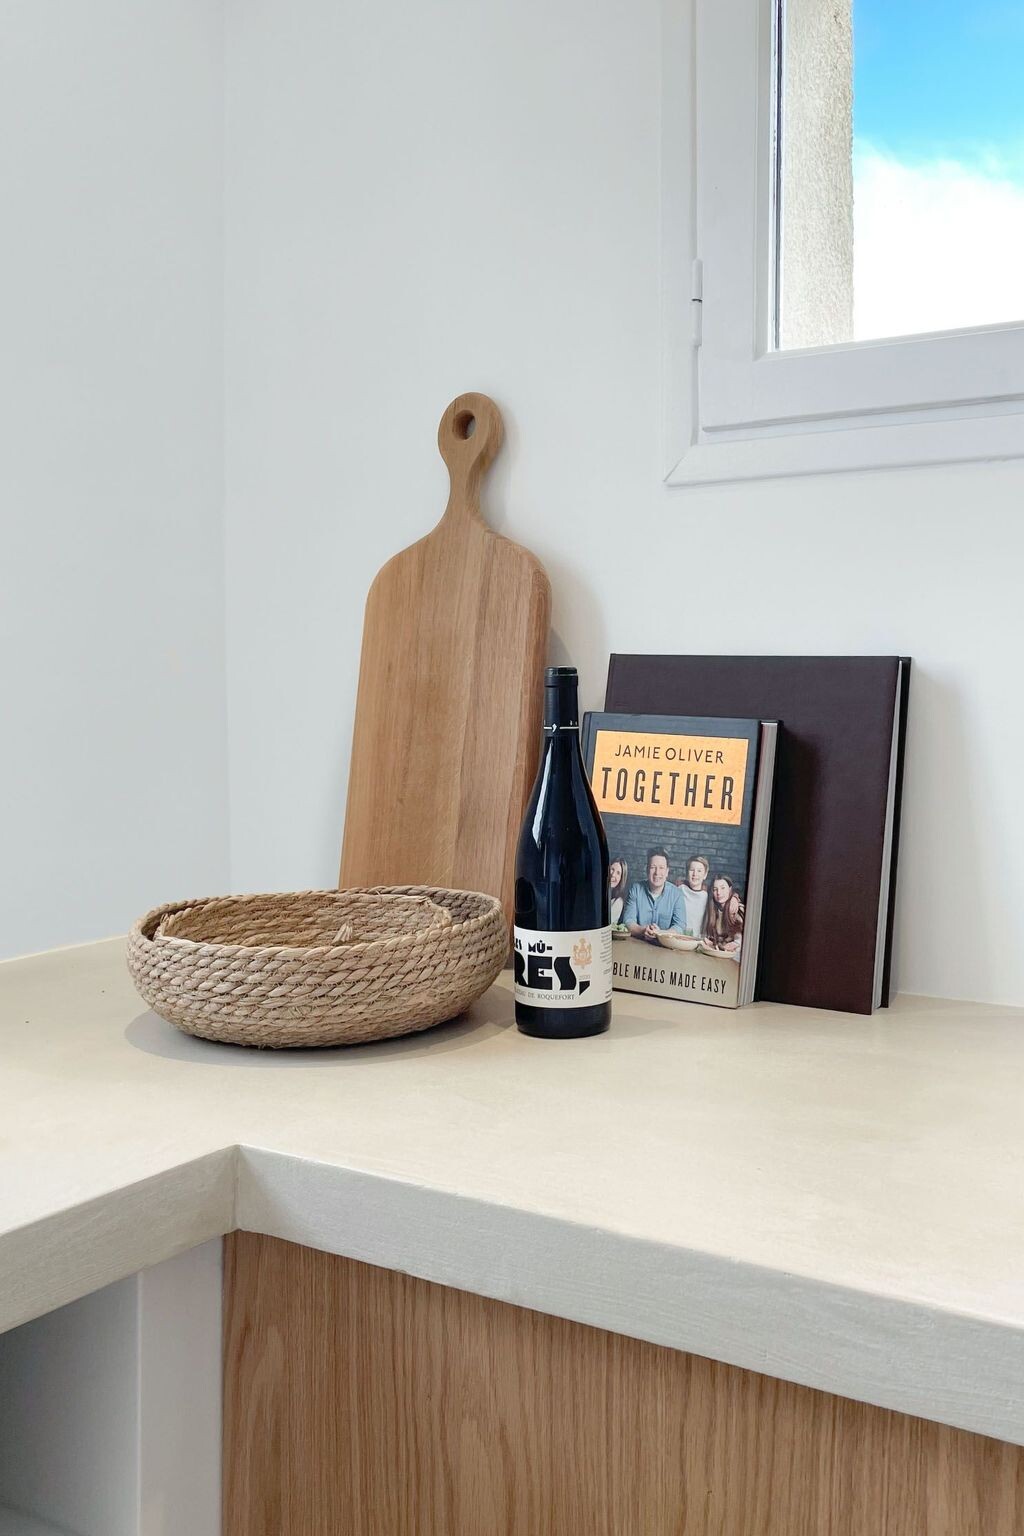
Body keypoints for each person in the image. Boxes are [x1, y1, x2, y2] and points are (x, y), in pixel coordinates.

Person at [623, 848, 686, 943]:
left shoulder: (677, 894)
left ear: (667, 871)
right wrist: (643, 930)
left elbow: (680, 926)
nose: (657, 873)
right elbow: (628, 921)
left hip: (665, 947)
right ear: (647, 870)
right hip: (637, 944)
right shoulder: (635, 889)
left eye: (661, 868)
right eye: (653, 867)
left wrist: (660, 934)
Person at [702, 874, 744, 956]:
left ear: (730, 889)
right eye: (715, 889)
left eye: (723, 888)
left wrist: (736, 944)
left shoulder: (737, 909)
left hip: (735, 956)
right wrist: (711, 944)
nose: (719, 893)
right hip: (719, 954)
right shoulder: (713, 910)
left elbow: (744, 939)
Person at [675, 854, 710, 937]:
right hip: (678, 936)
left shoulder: (708, 894)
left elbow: (726, 894)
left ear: (705, 875)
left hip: (699, 939)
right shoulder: (679, 888)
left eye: (699, 871)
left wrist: (735, 897)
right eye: (692, 870)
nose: (695, 874)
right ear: (687, 873)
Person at [608, 855, 629, 925]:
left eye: (618, 873)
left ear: (621, 879)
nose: (613, 875)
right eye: (612, 869)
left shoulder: (618, 901)